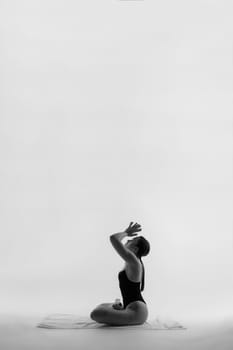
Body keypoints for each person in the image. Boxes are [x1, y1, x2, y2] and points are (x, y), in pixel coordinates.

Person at [90, 221, 150, 326]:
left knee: (95, 314)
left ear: (135, 249)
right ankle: (120, 307)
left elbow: (113, 238)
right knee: (102, 305)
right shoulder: (133, 262)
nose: (127, 240)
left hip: (137, 312)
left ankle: (120, 309)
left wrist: (126, 232)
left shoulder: (134, 261)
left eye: (131, 240)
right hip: (131, 308)